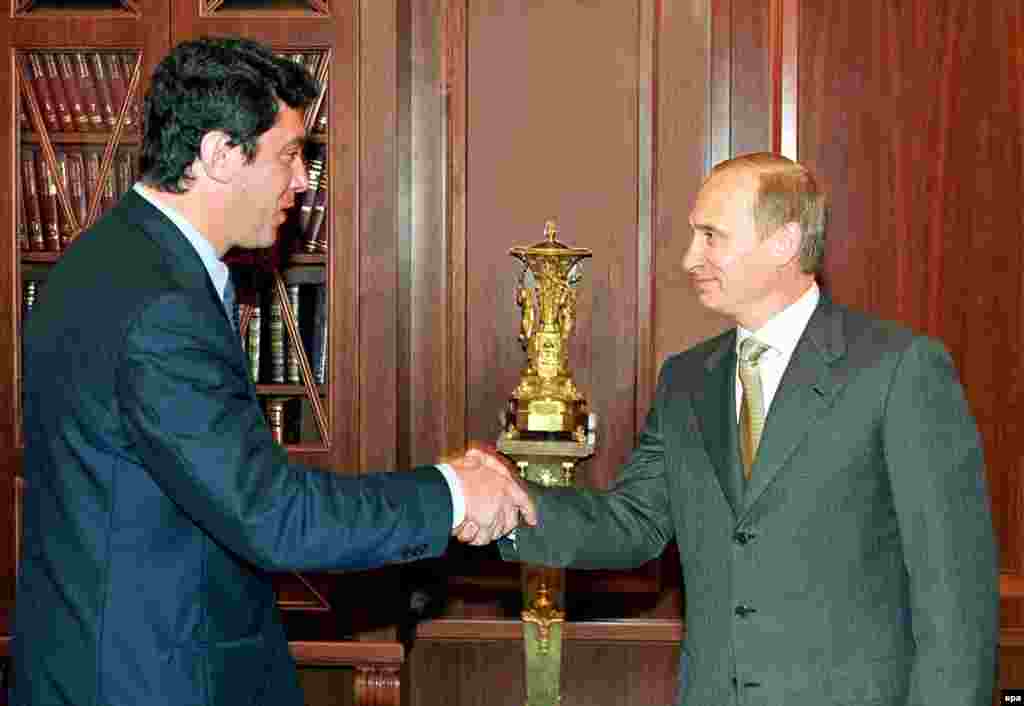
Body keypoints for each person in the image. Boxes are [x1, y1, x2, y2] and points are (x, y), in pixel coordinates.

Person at [12, 37, 532, 706]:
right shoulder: (159, 305)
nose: (304, 180)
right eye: (289, 154)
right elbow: (269, 513)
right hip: (146, 679)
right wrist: (452, 493)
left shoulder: (105, 257)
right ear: (219, 154)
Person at [493, 153, 999, 705]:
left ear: (783, 242)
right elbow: (632, 521)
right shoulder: (685, 379)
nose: (691, 258)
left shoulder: (898, 370)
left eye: (712, 237)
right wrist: (503, 507)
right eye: (694, 236)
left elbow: (955, 599)